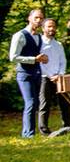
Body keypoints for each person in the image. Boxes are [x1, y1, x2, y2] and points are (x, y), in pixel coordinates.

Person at [9, 8, 47, 138]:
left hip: (37, 73)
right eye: (36, 18)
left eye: (41, 18)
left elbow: (36, 54)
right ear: (29, 18)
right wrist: (33, 60)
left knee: (35, 103)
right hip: (24, 74)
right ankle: (28, 134)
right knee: (30, 102)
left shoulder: (39, 37)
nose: (39, 20)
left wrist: (42, 58)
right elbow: (13, 57)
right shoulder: (19, 35)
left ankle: (31, 132)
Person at [38, 18, 70, 135]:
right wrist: (50, 76)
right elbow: (39, 63)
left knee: (65, 104)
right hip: (45, 78)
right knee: (44, 105)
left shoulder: (58, 45)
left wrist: (60, 74)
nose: (52, 29)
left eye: (53, 26)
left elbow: (63, 61)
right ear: (43, 28)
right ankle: (44, 131)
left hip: (60, 78)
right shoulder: (39, 44)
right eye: (49, 27)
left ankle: (68, 128)